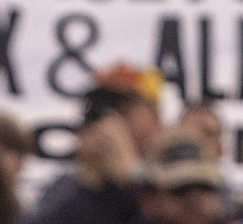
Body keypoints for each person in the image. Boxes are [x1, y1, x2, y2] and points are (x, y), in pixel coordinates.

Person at [32, 65, 167, 224]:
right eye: (100, 113)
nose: (110, 124)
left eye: (123, 111)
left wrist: (132, 176)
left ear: (156, 118)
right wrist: (88, 185)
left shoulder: (177, 176)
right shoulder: (67, 185)